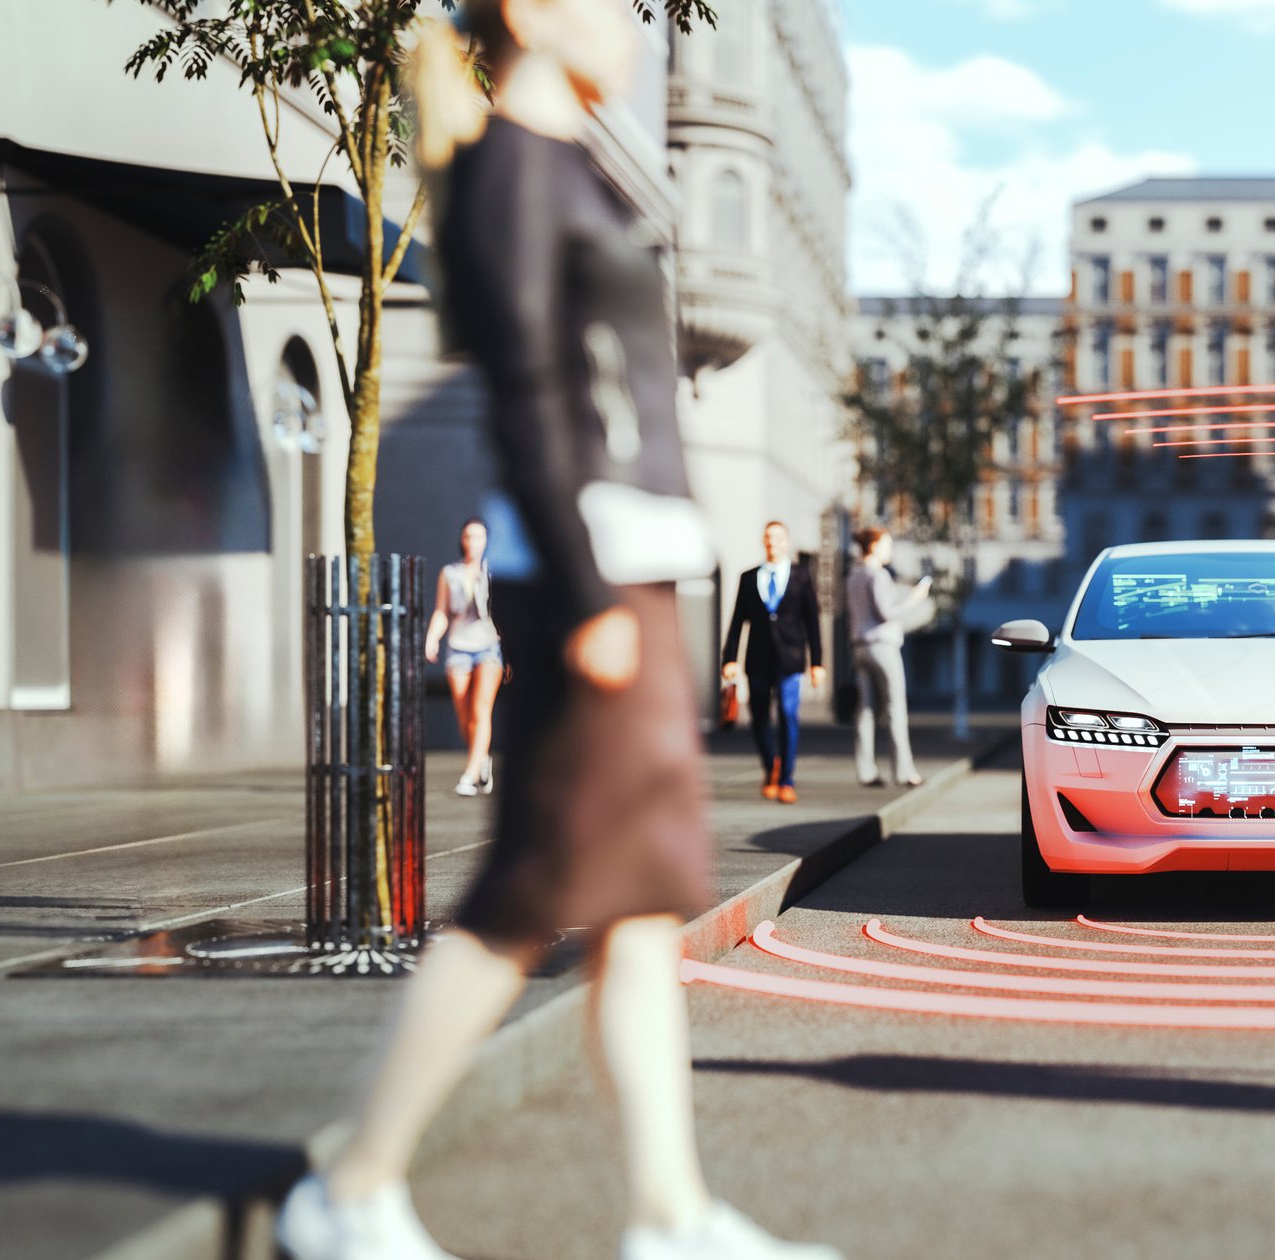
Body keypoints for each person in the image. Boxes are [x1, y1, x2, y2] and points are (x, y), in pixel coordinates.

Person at [275, 4, 842, 1258]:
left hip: (624, 569)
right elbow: (532, 399)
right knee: (529, 891)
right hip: (586, 578)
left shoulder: (567, 162)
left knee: (639, 908)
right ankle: (354, 1186)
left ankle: (668, 1217)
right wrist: (585, 603)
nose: (632, 30)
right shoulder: (509, 174)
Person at [720, 521, 825, 805]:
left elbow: (812, 620)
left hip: (790, 659)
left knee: (789, 715)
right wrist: (729, 659)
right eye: (767, 537)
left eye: (777, 537)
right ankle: (771, 768)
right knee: (759, 717)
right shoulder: (748, 577)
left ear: (786, 543)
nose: (772, 542)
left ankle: (787, 779)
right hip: (757, 658)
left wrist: (817, 661)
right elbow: (737, 621)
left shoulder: (802, 576)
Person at [846, 527, 932, 788]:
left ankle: (866, 771)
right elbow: (886, 612)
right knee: (895, 709)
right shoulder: (878, 575)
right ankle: (904, 771)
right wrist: (915, 598)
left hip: (859, 646)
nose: (890, 550)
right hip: (882, 646)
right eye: (887, 545)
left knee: (866, 711)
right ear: (873, 546)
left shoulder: (853, 576)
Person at [424, 517, 504, 796]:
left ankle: (470, 775)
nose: (473, 543)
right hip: (459, 645)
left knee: (481, 710)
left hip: (489, 645)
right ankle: (481, 759)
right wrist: (432, 637)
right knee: (463, 714)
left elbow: (507, 613)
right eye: (469, 537)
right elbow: (441, 610)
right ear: (462, 540)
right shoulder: (450, 573)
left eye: (479, 537)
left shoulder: (494, 572)